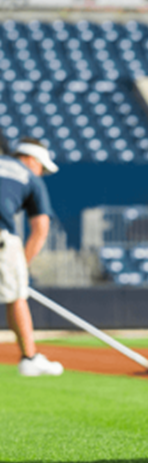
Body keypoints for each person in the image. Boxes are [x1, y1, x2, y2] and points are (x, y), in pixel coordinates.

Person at [0, 138, 64, 376]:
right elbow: (40, 229)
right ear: (30, 159)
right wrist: (22, 269)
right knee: (17, 297)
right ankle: (29, 357)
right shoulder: (30, 178)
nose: (42, 172)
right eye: (42, 166)